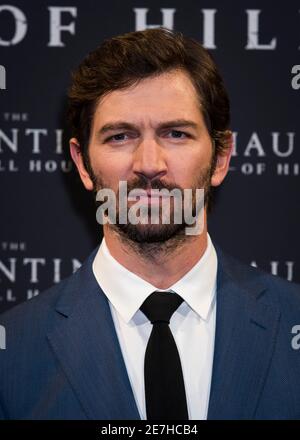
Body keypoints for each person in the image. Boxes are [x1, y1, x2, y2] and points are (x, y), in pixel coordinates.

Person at [0, 28, 300, 421]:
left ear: (222, 157)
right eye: (120, 136)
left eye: (176, 134)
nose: (149, 164)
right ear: (82, 164)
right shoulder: (12, 354)